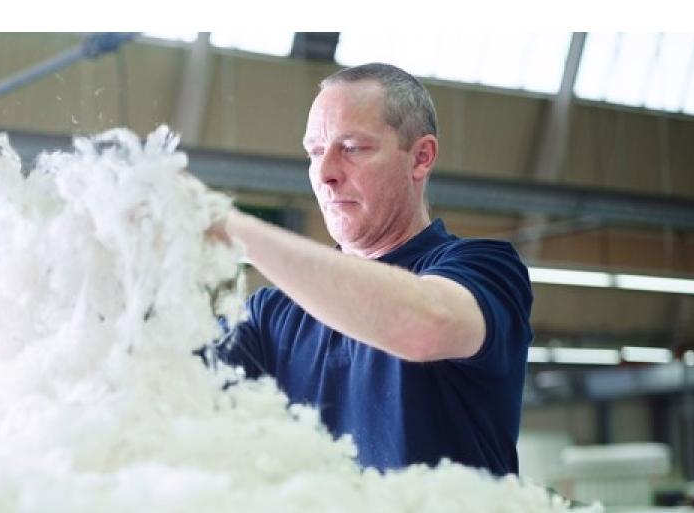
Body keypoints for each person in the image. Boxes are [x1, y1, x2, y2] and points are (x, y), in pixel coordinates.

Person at [214, 62, 532, 475]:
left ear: (420, 157)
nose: (325, 173)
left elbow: (425, 326)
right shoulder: (271, 315)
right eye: (315, 152)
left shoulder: (486, 268)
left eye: (351, 148)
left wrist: (230, 228)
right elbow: (174, 389)